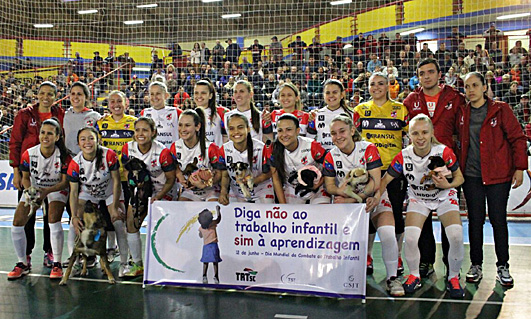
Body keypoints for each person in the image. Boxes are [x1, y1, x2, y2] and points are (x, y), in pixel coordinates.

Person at [369, 114, 465, 298]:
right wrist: (376, 196)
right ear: (409, 135)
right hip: (419, 198)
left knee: (456, 235)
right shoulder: (403, 156)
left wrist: (448, 185)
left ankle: (453, 277)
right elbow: (385, 179)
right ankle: (414, 275)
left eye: (424, 132)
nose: (420, 137)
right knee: (411, 238)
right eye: (415, 133)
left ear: (431, 133)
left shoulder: (443, 152)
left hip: (444, 196)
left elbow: (460, 177)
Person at [457, 72, 527, 287]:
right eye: (467, 86)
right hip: (471, 176)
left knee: (498, 221)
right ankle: (476, 264)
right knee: (475, 222)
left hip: (498, 176)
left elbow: (517, 138)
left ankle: (503, 265)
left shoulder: (501, 109)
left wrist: (520, 168)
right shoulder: (462, 112)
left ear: (485, 86)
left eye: (475, 85)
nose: (470, 90)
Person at [323, 114, 404, 296]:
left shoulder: (368, 148)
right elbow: (329, 187)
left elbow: (375, 183)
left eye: (342, 131)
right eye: (333, 133)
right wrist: (341, 193)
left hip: (372, 198)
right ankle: (339, 274)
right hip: (347, 203)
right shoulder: (330, 156)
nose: (338, 136)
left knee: (387, 233)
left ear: (352, 130)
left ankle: (393, 278)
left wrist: (353, 198)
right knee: (336, 237)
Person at [403, 58, 465, 278]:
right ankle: (426, 261)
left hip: (447, 165)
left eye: (430, 72)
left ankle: (451, 267)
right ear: (418, 77)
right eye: (421, 73)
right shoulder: (411, 100)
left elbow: (462, 130)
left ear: (440, 74)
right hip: (420, 168)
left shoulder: (454, 97)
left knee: (450, 219)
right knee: (423, 219)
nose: (426, 76)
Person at [353, 72, 408, 276]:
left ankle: (398, 254)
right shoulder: (360, 110)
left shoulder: (400, 110)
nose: (376, 87)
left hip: (394, 171)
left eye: (380, 84)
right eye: (372, 84)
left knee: (395, 213)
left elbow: (411, 137)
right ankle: (367, 255)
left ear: (388, 86)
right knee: (368, 213)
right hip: (368, 170)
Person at [9, 81, 65, 269]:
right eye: (42, 93)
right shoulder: (25, 114)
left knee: (52, 215)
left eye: (50, 94)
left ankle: (50, 253)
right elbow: (15, 142)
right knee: (27, 217)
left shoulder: (60, 114)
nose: (45, 97)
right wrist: (16, 171)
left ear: (55, 96)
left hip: (53, 174)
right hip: (30, 174)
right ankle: (25, 254)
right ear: (37, 95)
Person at [8, 119, 70, 280]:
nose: (45, 136)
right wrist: (31, 192)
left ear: (57, 137)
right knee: (17, 223)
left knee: (53, 220)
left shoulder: (64, 156)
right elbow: (25, 178)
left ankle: (56, 263)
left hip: (56, 189)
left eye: (50, 133)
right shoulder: (29, 153)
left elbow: (64, 182)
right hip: (35, 189)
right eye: (43, 132)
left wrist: (46, 192)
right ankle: (22, 263)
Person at [67, 127, 130, 277]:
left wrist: (114, 207)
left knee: (118, 222)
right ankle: (74, 261)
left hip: (110, 192)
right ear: (78, 143)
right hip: (89, 194)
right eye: (83, 139)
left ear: (97, 140)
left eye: (91, 138)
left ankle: (124, 264)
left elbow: (116, 181)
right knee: (74, 223)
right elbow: (74, 192)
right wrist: (74, 216)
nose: (87, 142)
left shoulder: (109, 155)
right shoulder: (75, 163)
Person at [121, 117, 177, 277]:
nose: (140, 133)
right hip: (140, 191)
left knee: (160, 230)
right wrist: (135, 187)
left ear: (153, 132)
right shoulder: (127, 149)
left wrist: (158, 196)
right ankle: (137, 264)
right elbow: (126, 171)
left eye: (145, 130)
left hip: (162, 191)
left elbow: (171, 179)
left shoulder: (162, 152)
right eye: (137, 130)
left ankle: (164, 265)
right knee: (131, 223)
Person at [270, 114, 329, 204]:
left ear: (297, 131)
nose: (284, 134)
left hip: (317, 188)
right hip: (292, 189)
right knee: (291, 215)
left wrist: (317, 185)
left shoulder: (312, 145)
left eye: (289, 130)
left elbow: (330, 167)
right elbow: (276, 179)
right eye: (280, 130)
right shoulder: (273, 149)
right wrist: (283, 206)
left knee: (321, 213)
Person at [218, 113, 274, 204]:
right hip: (237, 192)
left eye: (240, 127)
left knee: (263, 216)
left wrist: (251, 182)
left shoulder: (261, 148)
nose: (236, 132)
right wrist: (223, 192)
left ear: (248, 129)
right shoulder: (224, 149)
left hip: (261, 190)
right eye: (231, 128)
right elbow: (225, 174)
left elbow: (269, 173)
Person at [96, 90, 137, 209]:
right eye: (112, 102)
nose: (116, 105)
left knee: (127, 212)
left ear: (126, 103)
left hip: (127, 175)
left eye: (119, 101)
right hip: (107, 175)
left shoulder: (134, 122)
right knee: (108, 215)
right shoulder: (100, 122)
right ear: (108, 105)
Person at [170, 109, 222, 202]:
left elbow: (220, 173)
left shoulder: (210, 147)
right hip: (191, 191)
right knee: (181, 207)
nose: (183, 129)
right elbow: (175, 166)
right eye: (180, 125)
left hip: (211, 191)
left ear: (197, 127)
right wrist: (180, 176)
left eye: (187, 125)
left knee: (212, 210)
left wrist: (206, 184)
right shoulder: (175, 146)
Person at [307, 79, 354, 149]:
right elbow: (309, 139)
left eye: (335, 92)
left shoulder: (351, 115)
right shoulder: (315, 115)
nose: (331, 95)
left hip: (344, 156)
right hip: (322, 157)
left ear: (342, 94)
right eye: (327, 93)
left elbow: (356, 140)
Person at [140, 82, 181, 148]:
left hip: (171, 154)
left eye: (158, 94)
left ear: (166, 95)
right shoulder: (144, 113)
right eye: (152, 94)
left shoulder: (176, 112)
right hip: (152, 155)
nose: (154, 97)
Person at [193, 79, 229, 146]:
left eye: (203, 93)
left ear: (210, 95)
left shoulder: (222, 112)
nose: (199, 96)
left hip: (217, 155)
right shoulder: (191, 114)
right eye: (196, 93)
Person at [198, 205, 222, 284]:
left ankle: (205, 276)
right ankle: (216, 276)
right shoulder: (212, 224)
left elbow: (200, 235)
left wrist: (202, 234)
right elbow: (218, 219)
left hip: (207, 245)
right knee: (214, 262)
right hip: (213, 245)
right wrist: (218, 211)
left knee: (206, 262)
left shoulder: (201, 228)